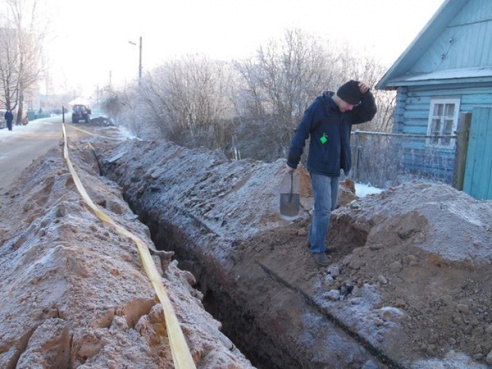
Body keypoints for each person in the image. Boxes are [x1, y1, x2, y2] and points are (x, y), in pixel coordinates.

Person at [286, 80, 377, 266]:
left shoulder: (347, 113)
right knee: (324, 209)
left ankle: (314, 240)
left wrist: (366, 94)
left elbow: (369, 113)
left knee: (328, 207)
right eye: (350, 104)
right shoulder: (319, 108)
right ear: (342, 97)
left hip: (335, 167)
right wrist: (292, 161)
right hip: (319, 167)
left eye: (353, 105)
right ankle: (317, 249)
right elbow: (300, 132)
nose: (351, 108)